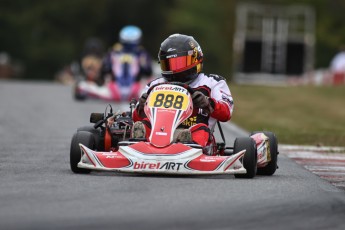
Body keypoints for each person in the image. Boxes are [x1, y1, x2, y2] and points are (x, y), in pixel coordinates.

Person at [131, 33, 234, 149]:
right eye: (168, 65)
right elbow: (136, 119)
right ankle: (138, 146)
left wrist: (207, 103)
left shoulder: (212, 82)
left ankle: (188, 145)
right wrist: (141, 108)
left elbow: (226, 113)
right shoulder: (155, 85)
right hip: (159, 133)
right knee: (143, 125)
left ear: (195, 59)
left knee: (200, 129)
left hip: (197, 136)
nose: (174, 70)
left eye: (178, 63)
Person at [101, 25, 153, 100]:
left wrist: (142, 64)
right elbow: (105, 69)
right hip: (114, 86)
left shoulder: (142, 54)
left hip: (136, 87)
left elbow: (148, 71)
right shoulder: (114, 53)